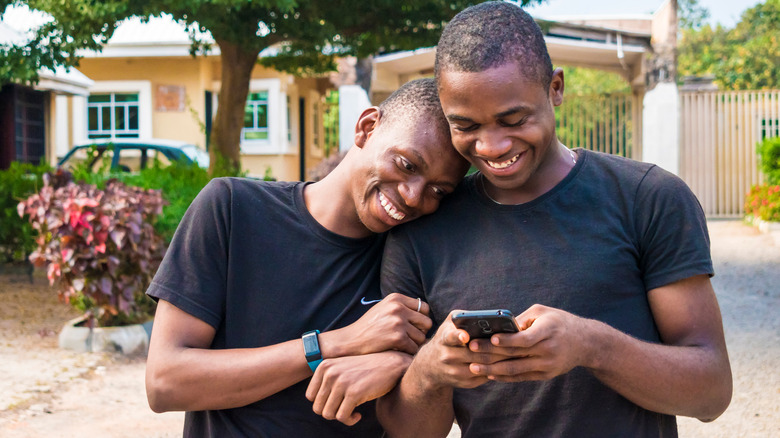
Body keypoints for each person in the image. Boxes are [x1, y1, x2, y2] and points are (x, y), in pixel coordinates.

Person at [377, 3, 733, 437]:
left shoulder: (647, 198)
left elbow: (712, 393)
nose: (490, 146)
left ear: (556, 88)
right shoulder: (421, 230)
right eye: (466, 126)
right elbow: (406, 431)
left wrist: (591, 346)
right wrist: (430, 370)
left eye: (513, 120)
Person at [144, 78, 469, 437]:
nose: (412, 196)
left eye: (437, 190)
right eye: (406, 165)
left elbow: (423, 427)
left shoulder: (418, 258)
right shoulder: (233, 208)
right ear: (367, 127)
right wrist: (335, 344)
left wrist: (408, 367)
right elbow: (165, 383)